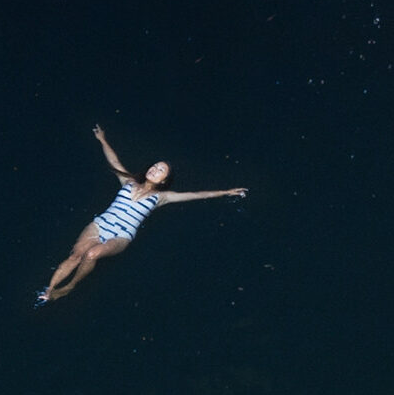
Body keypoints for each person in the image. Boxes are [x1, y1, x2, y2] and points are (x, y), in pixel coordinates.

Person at [38, 124, 246, 302]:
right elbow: (115, 162)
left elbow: (197, 194)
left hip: (122, 235)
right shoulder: (129, 182)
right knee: (76, 255)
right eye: (155, 166)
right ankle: (49, 289)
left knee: (92, 254)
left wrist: (226, 192)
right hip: (101, 224)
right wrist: (102, 139)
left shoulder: (163, 197)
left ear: (164, 180)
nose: (154, 169)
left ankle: (70, 287)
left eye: (160, 170)